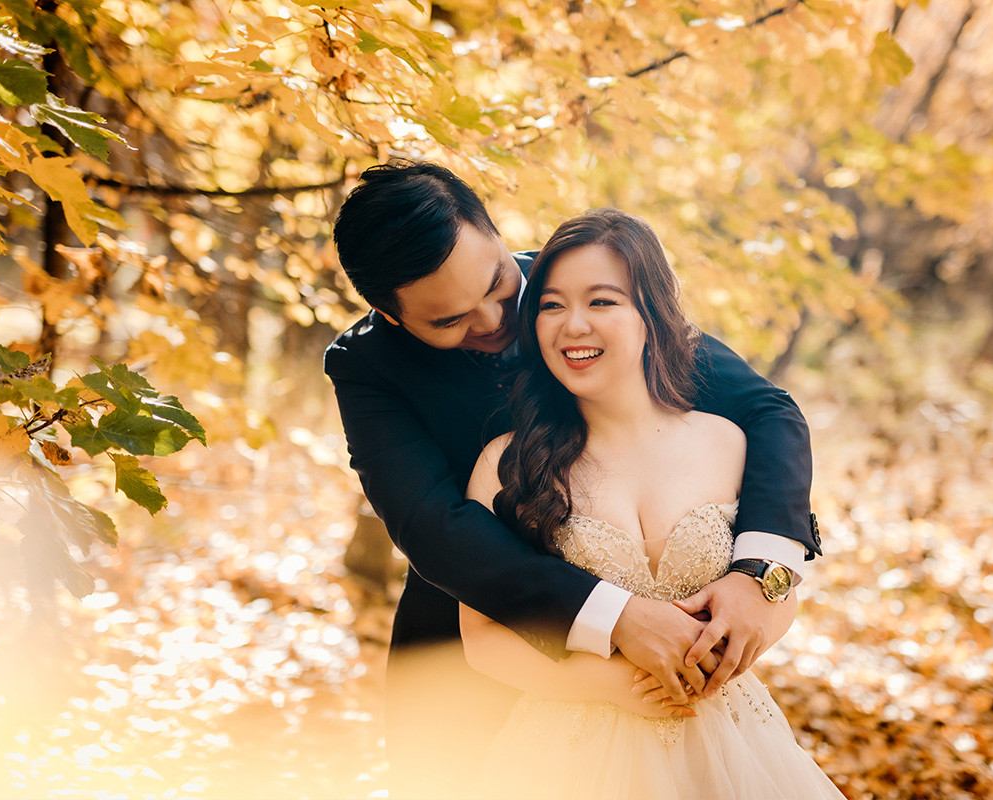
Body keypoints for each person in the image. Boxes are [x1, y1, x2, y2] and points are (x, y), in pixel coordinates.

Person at [324, 161, 823, 794]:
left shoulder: (582, 289)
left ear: (497, 236)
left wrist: (761, 574)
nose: (493, 320)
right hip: (473, 638)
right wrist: (613, 616)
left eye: (500, 284)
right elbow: (434, 527)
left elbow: (768, 411)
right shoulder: (367, 367)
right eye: (448, 321)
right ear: (390, 316)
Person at [460, 208, 844, 799]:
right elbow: (482, 638)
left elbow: (780, 589)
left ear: (652, 315)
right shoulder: (506, 464)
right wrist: (606, 687)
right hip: (568, 752)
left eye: (603, 302)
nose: (573, 325)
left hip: (728, 741)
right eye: (552, 305)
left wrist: (738, 649)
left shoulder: (727, 442)